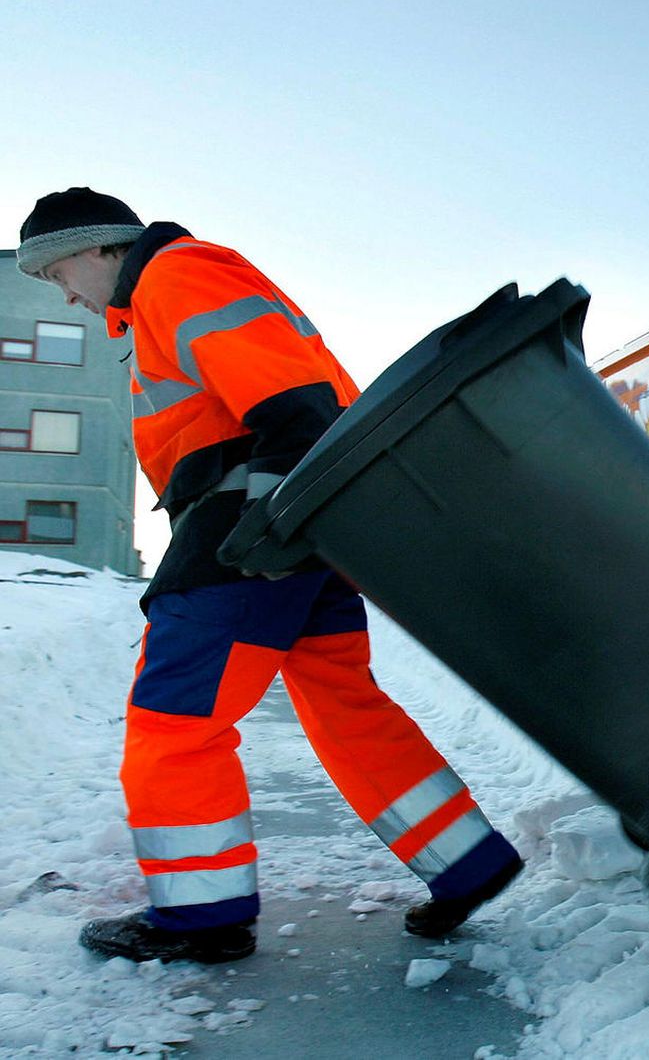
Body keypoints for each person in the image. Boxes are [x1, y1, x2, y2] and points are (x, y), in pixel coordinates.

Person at [16, 188, 524, 964]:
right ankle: (466, 863)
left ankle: (202, 915)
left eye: (58, 274)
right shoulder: (164, 292)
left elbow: (293, 399)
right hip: (302, 524)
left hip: (247, 529)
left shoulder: (174, 276)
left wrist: (267, 522)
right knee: (345, 705)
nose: (64, 294)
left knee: (175, 722)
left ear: (96, 248)